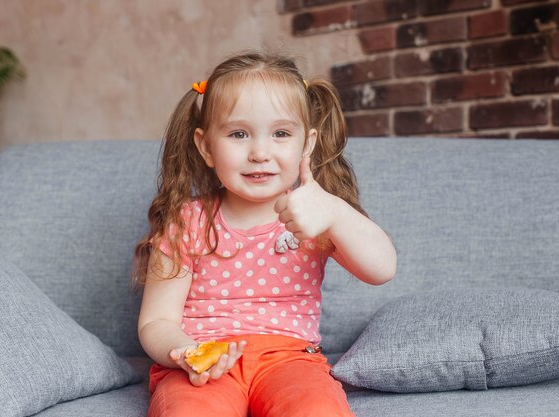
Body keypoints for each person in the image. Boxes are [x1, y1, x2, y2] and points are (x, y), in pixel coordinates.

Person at [133, 50, 397, 417]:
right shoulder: (186, 219)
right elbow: (156, 321)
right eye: (239, 134)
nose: (260, 152)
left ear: (307, 144)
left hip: (291, 361)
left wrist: (336, 212)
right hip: (204, 363)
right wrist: (186, 353)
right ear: (206, 146)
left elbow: (381, 269)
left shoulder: (316, 216)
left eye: (281, 133)